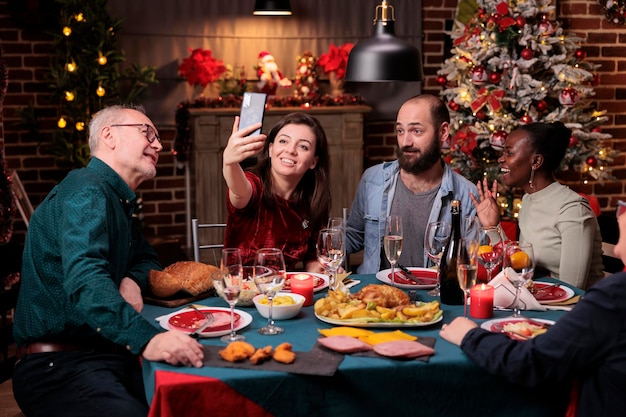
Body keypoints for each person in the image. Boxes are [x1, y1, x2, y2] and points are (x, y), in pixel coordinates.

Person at [12, 105, 205, 417]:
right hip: (57, 368)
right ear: (109, 136)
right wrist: (148, 341)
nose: (158, 145)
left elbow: (148, 260)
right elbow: (85, 278)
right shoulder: (87, 189)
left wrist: (130, 279)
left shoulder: (115, 198)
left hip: (105, 355)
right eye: (147, 133)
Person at [440, 200, 626, 417]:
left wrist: (469, 335)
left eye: (624, 207)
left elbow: (531, 363)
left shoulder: (616, 295)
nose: (619, 213)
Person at [345, 94, 479, 274]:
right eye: (400, 131)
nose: (405, 142)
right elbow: (353, 235)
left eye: (416, 131)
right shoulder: (373, 179)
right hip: (376, 293)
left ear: (443, 132)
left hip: (432, 298)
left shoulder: (466, 195)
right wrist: (327, 252)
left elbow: (472, 262)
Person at [472, 122, 604, 289]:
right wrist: (493, 227)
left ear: (536, 161)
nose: (501, 159)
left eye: (509, 153)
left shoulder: (572, 209)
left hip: (578, 307)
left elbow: (572, 289)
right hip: (541, 298)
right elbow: (519, 263)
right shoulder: (528, 199)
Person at [222, 112, 330, 271]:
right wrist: (229, 162)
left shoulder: (312, 202)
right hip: (240, 291)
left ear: (313, 162)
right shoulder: (253, 187)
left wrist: (324, 268)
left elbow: (312, 260)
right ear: (271, 149)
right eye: (284, 141)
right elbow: (239, 190)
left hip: (285, 293)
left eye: (303, 146)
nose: (291, 150)